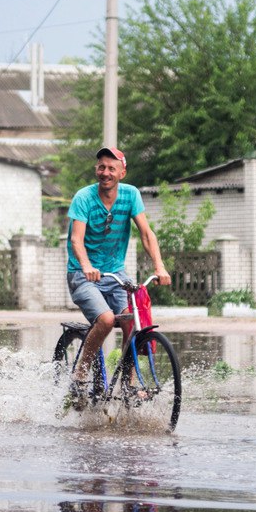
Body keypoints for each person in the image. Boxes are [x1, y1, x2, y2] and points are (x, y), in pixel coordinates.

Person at [65, 147, 171, 403]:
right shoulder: (84, 197)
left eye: (112, 168)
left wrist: (160, 266)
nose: (106, 173)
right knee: (105, 319)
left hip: (116, 275)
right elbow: (76, 240)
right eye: (101, 167)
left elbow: (146, 234)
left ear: (122, 172)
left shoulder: (131, 195)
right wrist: (87, 265)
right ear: (96, 170)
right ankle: (80, 374)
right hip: (82, 274)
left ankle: (128, 384)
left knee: (134, 320)